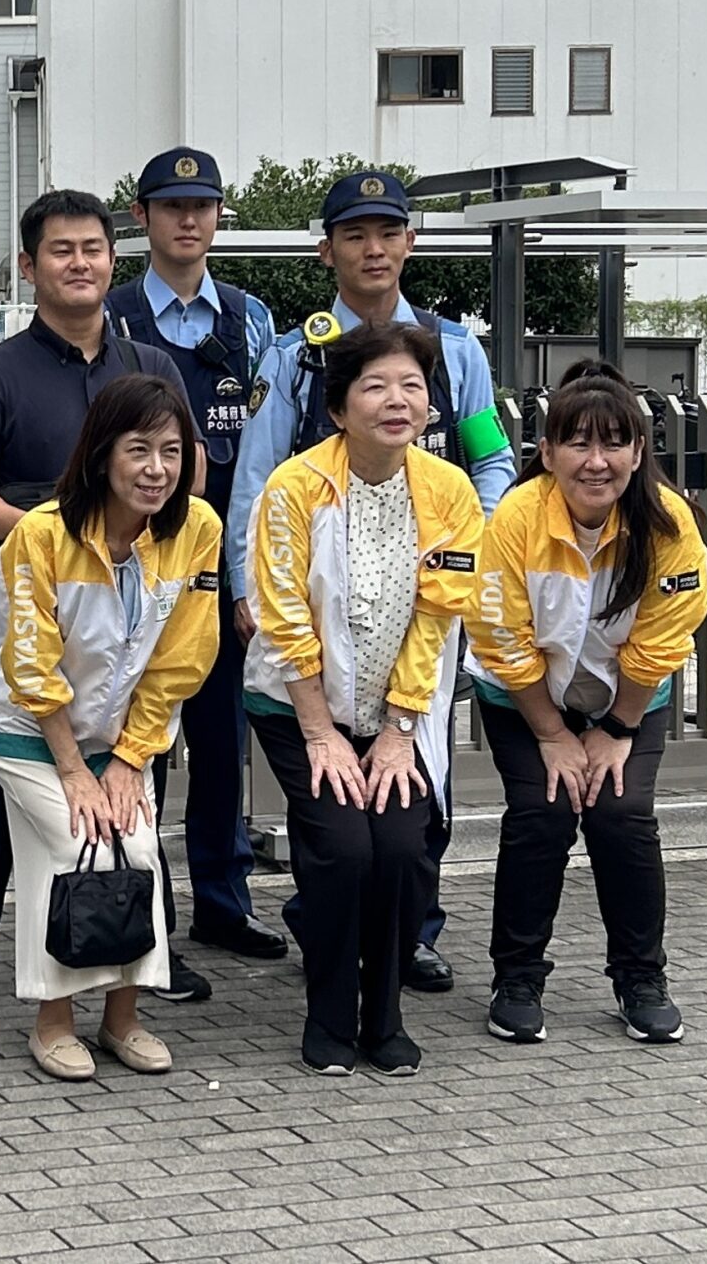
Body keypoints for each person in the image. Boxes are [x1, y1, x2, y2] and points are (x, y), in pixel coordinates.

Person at [227, 168, 516, 995]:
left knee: (418, 779)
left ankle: (412, 930)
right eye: (355, 235)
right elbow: (257, 480)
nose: (374, 249)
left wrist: (465, 537)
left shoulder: (455, 351)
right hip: (318, 599)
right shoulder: (295, 355)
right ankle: (326, 919)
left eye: (388, 232)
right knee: (329, 786)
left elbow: (490, 454)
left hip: (424, 601)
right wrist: (248, 590)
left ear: (409, 244)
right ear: (329, 251)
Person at [0, 190, 189, 1022]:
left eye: (95, 249)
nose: (81, 263)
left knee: (135, 784)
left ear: (115, 261)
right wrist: (52, 538)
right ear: (31, 267)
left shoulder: (151, 364)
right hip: (36, 607)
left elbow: (187, 472)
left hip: (132, 606)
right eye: (62, 250)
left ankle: (145, 953)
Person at [241, 323, 484, 1077]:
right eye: (375, 386)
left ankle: (383, 1015)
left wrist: (401, 728)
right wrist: (322, 735)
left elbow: (440, 613)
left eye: (412, 386)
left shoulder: (450, 490)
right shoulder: (293, 488)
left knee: (403, 851)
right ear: (339, 408)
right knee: (344, 849)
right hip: (296, 707)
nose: (397, 400)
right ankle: (327, 1014)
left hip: (398, 715)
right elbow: (283, 620)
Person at [0, 374, 222, 1080]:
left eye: (171, 452)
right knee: (76, 844)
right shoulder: (43, 535)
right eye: (138, 450)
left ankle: (123, 1018)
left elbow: (181, 659)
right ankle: (53, 1023)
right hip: (24, 727)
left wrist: (129, 760)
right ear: (102, 454)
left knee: (137, 850)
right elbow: (30, 663)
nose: (156, 470)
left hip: (116, 733)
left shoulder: (197, 529)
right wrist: (76, 771)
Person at [462, 361, 707, 1047]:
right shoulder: (516, 517)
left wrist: (618, 728)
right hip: (522, 699)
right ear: (547, 453)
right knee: (542, 813)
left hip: (627, 699)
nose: (595, 462)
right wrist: (551, 734)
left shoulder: (670, 525)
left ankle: (641, 978)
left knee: (621, 816)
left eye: (613, 444)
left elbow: (663, 636)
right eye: (577, 443)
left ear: (638, 451)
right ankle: (516, 978)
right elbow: (500, 634)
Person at [102, 146, 291, 974]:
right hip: (131, 562)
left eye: (204, 206)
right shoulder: (109, 317)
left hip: (217, 563)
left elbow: (265, 453)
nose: (189, 220)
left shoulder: (252, 320)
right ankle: (142, 907)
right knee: (135, 738)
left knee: (221, 737)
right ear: (141, 219)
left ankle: (223, 901)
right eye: (172, 206)